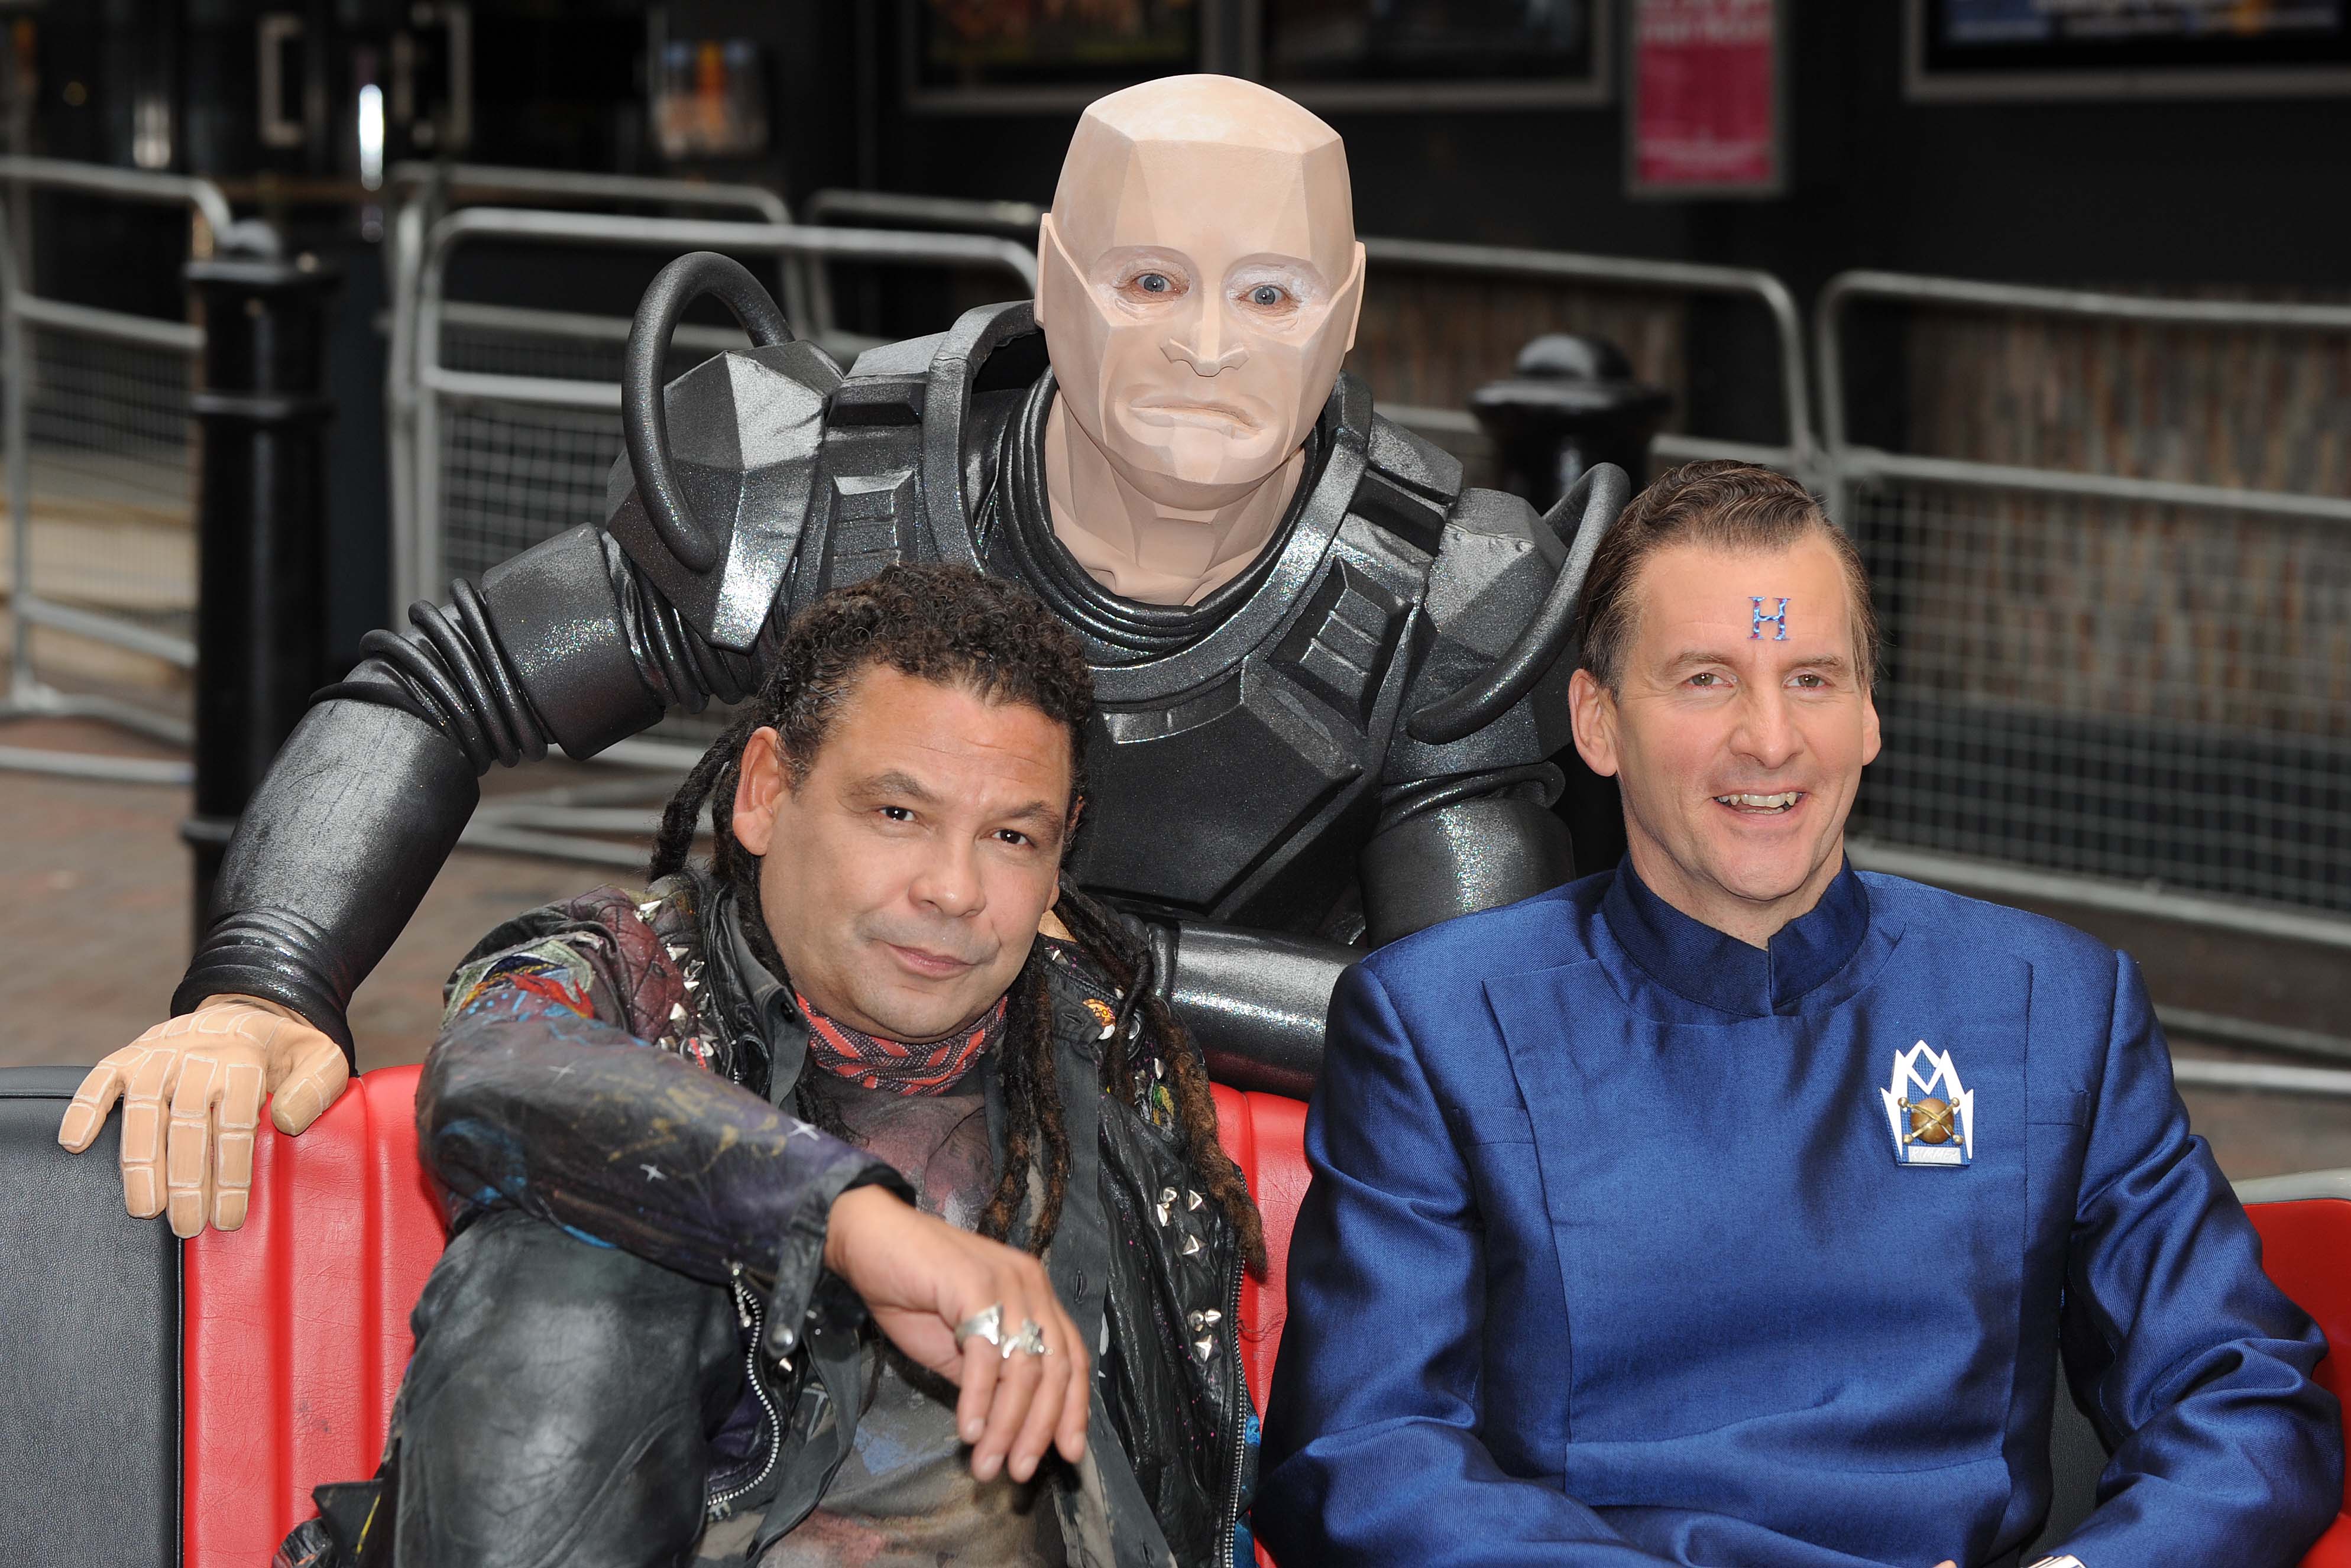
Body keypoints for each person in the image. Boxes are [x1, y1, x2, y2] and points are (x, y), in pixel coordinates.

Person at [61, 70, 1612, 1240]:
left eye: (1267, 293)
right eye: (1151, 282)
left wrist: (1107, 967)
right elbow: (451, 678)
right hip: (778, 1143)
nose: (1206, 346)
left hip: (1172, 1210)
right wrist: (265, 982)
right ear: (1054, 279)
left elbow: (1472, 1048)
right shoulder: (816, 485)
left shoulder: (1435, 598)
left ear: (1343, 315)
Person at [1257, 461, 2342, 1568]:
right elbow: (1363, 1456)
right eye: (1706, 680)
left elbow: (2250, 1401)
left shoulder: (2051, 1008)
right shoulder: (1440, 1023)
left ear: (1871, 715)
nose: (1770, 740)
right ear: (1597, 722)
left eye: (1812, 679)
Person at [279, 564, 1265, 1568]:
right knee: (574, 1259)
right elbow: (495, 1071)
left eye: (1012, 837)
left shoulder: (1104, 1051)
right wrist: (844, 1221)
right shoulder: (632, 977)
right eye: (897, 814)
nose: (954, 889)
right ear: (764, 793)